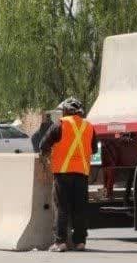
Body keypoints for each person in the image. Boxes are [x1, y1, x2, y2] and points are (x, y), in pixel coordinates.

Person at [39, 97, 97, 252]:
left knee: (62, 207)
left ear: (65, 111)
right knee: (80, 208)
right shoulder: (89, 127)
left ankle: (60, 242)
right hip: (82, 173)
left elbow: (43, 145)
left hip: (63, 173)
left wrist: (47, 155)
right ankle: (80, 242)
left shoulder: (60, 125)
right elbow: (94, 149)